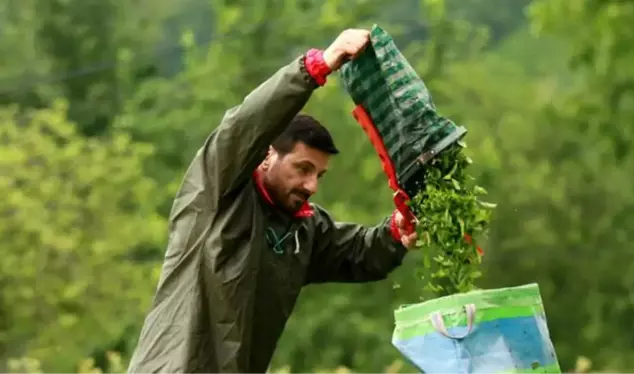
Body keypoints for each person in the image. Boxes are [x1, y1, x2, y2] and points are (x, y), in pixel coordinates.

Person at [127, 28, 418, 374]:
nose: (311, 185)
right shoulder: (217, 192)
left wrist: (396, 234)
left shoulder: (303, 230)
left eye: (319, 175)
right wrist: (315, 68)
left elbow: (357, 253)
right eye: (302, 168)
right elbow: (245, 124)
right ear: (267, 155)